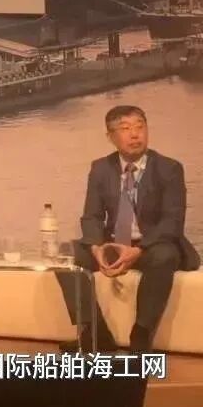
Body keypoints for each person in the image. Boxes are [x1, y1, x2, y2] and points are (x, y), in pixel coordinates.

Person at [56, 105, 200, 353]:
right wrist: (96, 248)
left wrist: (138, 250)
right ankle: (95, 333)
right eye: (125, 128)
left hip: (153, 244)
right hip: (115, 243)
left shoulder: (168, 168)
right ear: (110, 136)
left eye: (139, 127)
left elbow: (173, 221)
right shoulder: (100, 168)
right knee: (67, 255)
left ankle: (141, 334)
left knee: (165, 255)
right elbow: (91, 216)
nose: (135, 134)